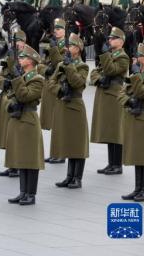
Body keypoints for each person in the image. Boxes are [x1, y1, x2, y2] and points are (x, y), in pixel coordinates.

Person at [49, 33, 90, 189]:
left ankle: (77, 178)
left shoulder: (82, 66)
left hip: (75, 106)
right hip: (63, 104)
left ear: (78, 49)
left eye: (71, 46)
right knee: (67, 141)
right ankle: (69, 176)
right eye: (67, 46)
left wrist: (69, 67)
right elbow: (51, 82)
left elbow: (78, 83)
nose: (67, 48)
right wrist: (59, 90)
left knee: (77, 143)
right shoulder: (62, 64)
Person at [5, 45, 45, 206]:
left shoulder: (37, 79)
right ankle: (22, 191)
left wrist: (16, 79)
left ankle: (31, 194)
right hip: (18, 118)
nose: (20, 59)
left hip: (28, 119)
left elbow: (24, 96)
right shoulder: (23, 77)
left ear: (31, 61)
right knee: (21, 157)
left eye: (23, 57)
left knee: (31, 159)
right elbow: (10, 94)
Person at [120, 44, 144, 202]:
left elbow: (142, 92)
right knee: (137, 154)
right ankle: (137, 188)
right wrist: (129, 101)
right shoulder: (136, 75)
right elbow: (122, 93)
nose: (136, 58)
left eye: (139, 56)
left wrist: (136, 76)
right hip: (135, 117)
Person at [90, 27, 130, 175]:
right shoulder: (111, 54)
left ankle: (117, 165)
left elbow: (111, 70)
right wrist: (99, 79)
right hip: (105, 95)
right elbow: (95, 71)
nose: (109, 40)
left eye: (113, 38)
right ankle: (110, 163)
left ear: (121, 41)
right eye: (109, 38)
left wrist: (105, 55)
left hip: (114, 96)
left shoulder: (123, 57)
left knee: (116, 131)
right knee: (109, 131)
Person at [0, 29, 26, 177]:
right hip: (6, 98)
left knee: (17, 135)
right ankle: (11, 165)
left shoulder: (27, 58)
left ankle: (18, 165)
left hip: (17, 99)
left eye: (19, 42)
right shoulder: (10, 57)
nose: (16, 45)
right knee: (7, 133)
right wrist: (4, 82)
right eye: (14, 42)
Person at [40, 18, 67, 164]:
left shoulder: (67, 45)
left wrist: (54, 50)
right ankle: (54, 153)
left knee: (59, 122)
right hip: (49, 83)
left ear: (64, 30)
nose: (56, 31)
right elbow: (42, 64)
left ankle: (61, 153)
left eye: (59, 29)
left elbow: (61, 64)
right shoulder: (53, 44)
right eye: (55, 29)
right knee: (53, 121)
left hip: (58, 85)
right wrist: (46, 69)